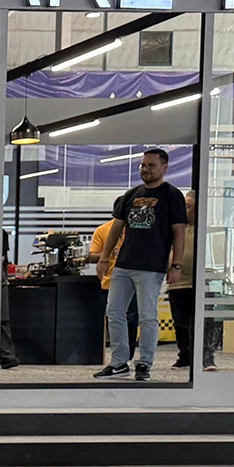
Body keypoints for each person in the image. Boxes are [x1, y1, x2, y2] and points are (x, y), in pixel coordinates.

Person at [94, 148, 188, 382]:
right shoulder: (131, 194)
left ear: (164, 168)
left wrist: (176, 265)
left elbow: (179, 232)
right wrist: (104, 258)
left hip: (151, 266)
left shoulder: (172, 195)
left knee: (147, 316)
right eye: (143, 165)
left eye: (151, 166)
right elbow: (116, 228)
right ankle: (119, 363)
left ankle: (144, 363)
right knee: (114, 312)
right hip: (123, 264)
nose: (145, 170)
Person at [166, 190, 216, 371]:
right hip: (178, 283)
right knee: (180, 323)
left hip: (201, 282)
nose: (184, 210)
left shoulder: (205, 231)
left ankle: (206, 358)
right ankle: (185, 356)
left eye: (188, 207)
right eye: (184, 206)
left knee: (204, 323)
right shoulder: (174, 229)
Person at [87, 198, 138, 356]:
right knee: (114, 318)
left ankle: (128, 354)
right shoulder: (103, 230)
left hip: (133, 281)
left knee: (131, 319)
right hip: (109, 282)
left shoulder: (137, 230)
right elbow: (92, 256)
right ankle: (118, 354)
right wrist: (107, 253)